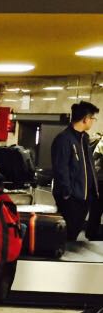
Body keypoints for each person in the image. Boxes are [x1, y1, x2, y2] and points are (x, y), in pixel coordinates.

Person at [51, 101, 100, 241]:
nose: (93, 121)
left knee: (74, 232)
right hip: (71, 197)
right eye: (92, 118)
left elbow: (88, 165)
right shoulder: (64, 139)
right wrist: (67, 193)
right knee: (68, 233)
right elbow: (61, 168)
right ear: (85, 119)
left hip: (84, 196)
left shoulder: (84, 138)